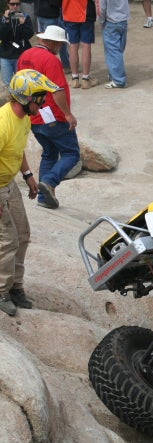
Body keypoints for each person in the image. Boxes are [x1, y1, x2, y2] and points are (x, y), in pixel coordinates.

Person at [0, 69, 58, 316]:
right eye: (40, 97)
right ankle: (1, 290)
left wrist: (28, 175)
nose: (43, 102)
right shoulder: (3, 124)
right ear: (25, 98)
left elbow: (18, 150)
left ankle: (15, 287)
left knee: (23, 234)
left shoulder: (23, 119)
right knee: (7, 240)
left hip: (9, 183)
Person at [17, 25, 79, 209]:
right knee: (71, 154)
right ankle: (50, 182)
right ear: (52, 42)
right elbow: (57, 89)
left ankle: (44, 199)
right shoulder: (50, 59)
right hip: (53, 116)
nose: (60, 47)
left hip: (33, 116)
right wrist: (67, 114)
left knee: (49, 153)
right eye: (59, 44)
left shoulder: (24, 56)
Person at [62, 0, 98, 88]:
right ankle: (85, 79)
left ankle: (75, 79)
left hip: (69, 12)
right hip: (85, 12)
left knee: (73, 46)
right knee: (86, 45)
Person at [0, 0, 34, 88]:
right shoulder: (3, 19)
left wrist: (22, 24)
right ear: (8, 5)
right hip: (6, 55)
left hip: (21, 54)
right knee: (8, 85)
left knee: (22, 83)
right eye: (12, 4)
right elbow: (1, 36)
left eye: (17, 4)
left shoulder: (25, 17)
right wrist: (6, 21)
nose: (15, 6)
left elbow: (29, 35)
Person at [97, 0, 129, 89]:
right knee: (119, 49)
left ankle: (118, 80)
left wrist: (101, 21)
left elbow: (101, 8)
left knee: (113, 51)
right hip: (123, 19)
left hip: (111, 21)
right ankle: (115, 74)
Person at [34, 0, 71, 69]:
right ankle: (64, 64)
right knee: (56, 41)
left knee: (44, 42)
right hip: (50, 14)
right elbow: (55, 2)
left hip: (39, 12)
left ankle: (45, 64)